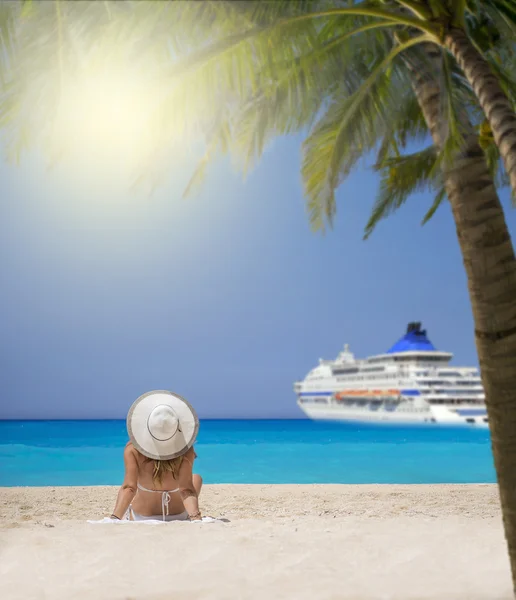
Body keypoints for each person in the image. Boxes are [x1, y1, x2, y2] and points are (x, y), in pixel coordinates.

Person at [110, 390, 203, 522]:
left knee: (133, 486)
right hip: (178, 515)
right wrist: (196, 518)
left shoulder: (133, 450)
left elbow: (129, 488)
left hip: (141, 517)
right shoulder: (186, 450)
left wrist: (114, 518)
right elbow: (186, 490)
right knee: (196, 478)